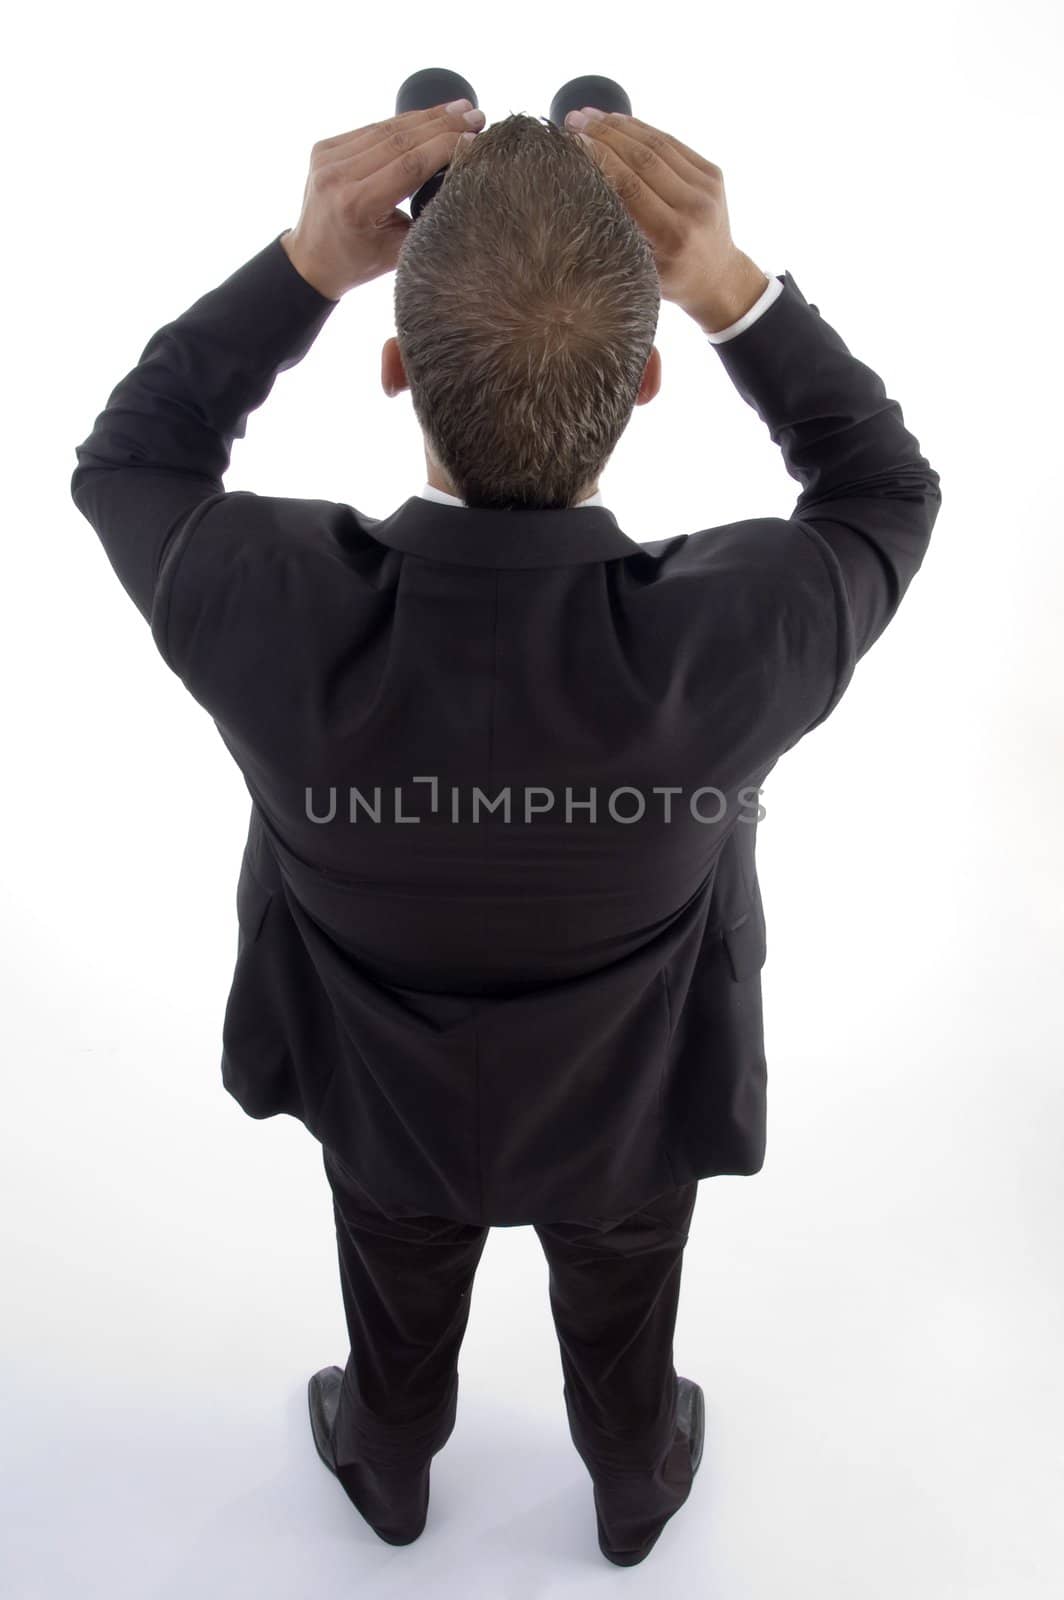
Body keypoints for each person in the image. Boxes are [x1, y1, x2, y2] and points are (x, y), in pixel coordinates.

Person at [69, 104, 942, 1567]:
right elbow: (883, 490)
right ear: (649, 378)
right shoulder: (735, 640)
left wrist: (307, 262)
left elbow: (135, 457)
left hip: (383, 1089)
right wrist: (734, 289)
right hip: (635, 1091)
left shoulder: (262, 606)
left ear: (398, 369)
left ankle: (390, 1462)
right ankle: (633, 1475)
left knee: (395, 1270)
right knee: (625, 1288)